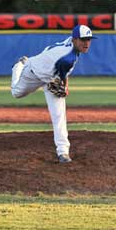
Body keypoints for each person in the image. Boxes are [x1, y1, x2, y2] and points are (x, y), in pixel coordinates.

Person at [11, 24, 97, 163]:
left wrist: (65, 86)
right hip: (32, 72)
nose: (87, 43)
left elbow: (62, 72)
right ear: (75, 39)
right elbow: (57, 71)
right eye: (83, 39)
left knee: (59, 114)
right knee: (16, 93)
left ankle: (63, 152)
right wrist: (61, 86)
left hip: (50, 75)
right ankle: (19, 65)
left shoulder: (72, 49)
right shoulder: (66, 56)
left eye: (89, 39)